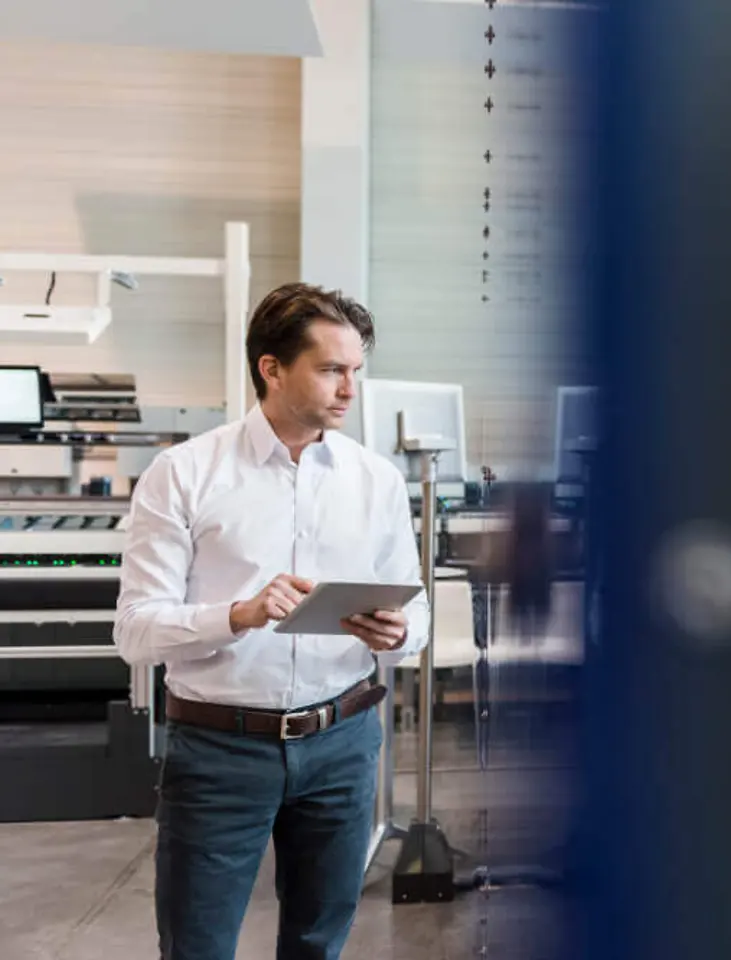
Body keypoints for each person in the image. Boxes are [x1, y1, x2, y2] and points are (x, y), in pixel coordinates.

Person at [114, 282, 430, 960]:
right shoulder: (184, 475)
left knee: (318, 942)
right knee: (198, 945)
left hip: (343, 743)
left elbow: (417, 606)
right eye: (332, 369)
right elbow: (136, 630)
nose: (351, 389)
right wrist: (239, 614)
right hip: (220, 750)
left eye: (357, 372)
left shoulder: (375, 480)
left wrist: (400, 631)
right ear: (272, 367)